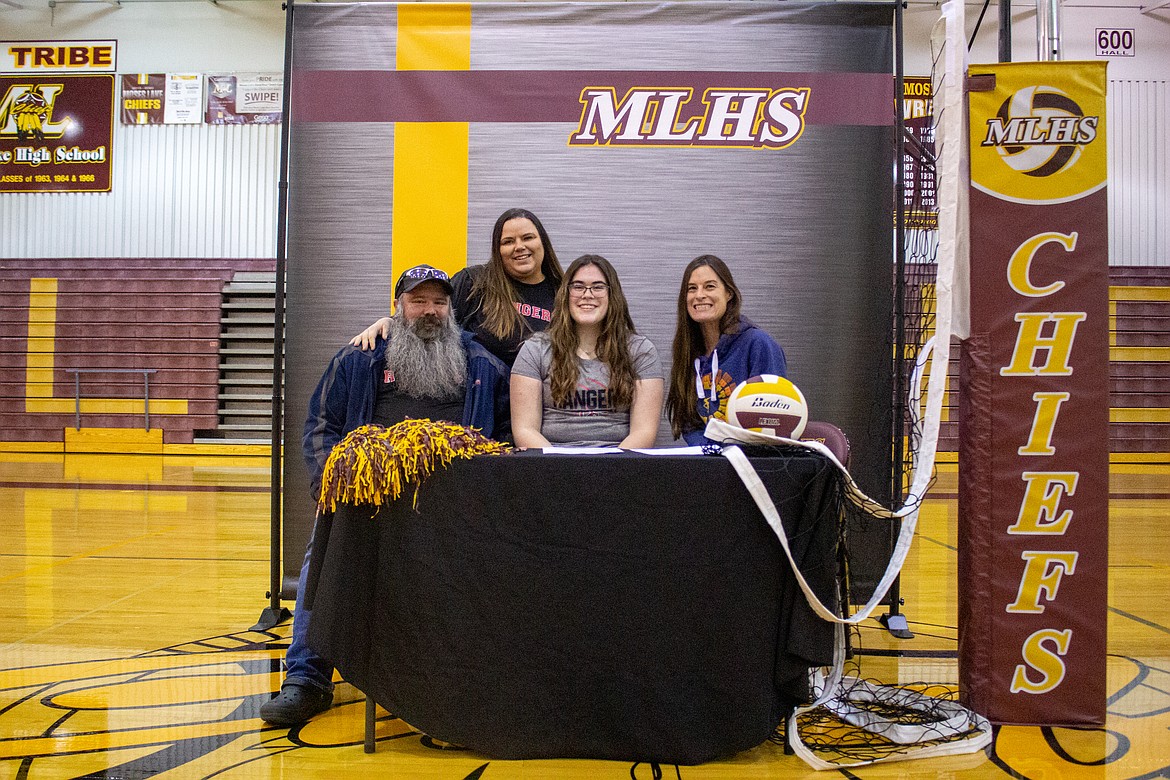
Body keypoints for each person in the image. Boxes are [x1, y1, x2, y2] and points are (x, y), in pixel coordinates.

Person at [260, 264, 510, 728]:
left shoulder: (483, 366)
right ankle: (307, 677)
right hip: (366, 503)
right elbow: (320, 426)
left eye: (439, 301)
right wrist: (331, 485)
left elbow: (508, 435)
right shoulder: (359, 360)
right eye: (418, 301)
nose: (429, 310)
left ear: (451, 309)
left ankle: (466, 678)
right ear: (398, 307)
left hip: (454, 509)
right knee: (322, 555)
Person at [351, 208, 564, 367]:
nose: (519, 247)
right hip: (484, 402)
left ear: (542, 242)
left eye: (528, 238)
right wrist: (389, 321)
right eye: (508, 241)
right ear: (497, 250)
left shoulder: (564, 293)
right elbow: (431, 316)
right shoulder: (475, 282)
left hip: (544, 405)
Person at [510, 254, 663, 448]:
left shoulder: (641, 352)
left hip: (621, 467)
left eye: (598, 287)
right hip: (552, 468)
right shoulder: (535, 349)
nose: (587, 294)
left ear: (612, 295)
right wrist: (561, 469)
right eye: (578, 286)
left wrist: (608, 471)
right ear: (566, 294)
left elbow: (644, 432)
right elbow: (524, 430)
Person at [665, 254, 788, 446]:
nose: (699, 295)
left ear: (728, 293)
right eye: (692, 289)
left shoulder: (758, 345)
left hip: (752, 464)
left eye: (710, 286)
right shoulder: (688, 351)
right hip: (709, 465)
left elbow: (771, 423)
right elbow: (690, 424)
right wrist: (711, 457)